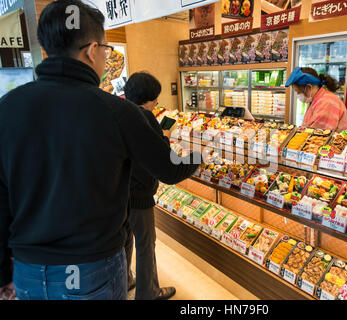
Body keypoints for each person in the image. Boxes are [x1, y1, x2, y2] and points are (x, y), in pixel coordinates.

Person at [0, 0, 199, 300]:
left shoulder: (7, 108)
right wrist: (199, 157)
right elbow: (169, 168)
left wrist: (4, 272)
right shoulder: (118, 112)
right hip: (91, 267)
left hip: (27, 268)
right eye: (106, 50)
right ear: (92, 50)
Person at [123, 72, 176, 300]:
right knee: (146, 244)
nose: (156, 104)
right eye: (155, 100)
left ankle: (124, 280)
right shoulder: (146, 118)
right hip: (140, 193)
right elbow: (159, 159)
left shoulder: (121, 113)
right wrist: (164, 135)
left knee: (124, 239)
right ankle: (149, 294)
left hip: (120, 192)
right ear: (148, 98)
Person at [286, 67, 347, 133]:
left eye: (298, 92)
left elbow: (318, 134)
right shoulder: (316, 99)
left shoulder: (327, 102)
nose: (298, 95)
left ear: (308, 87)